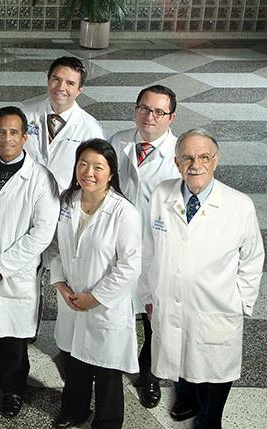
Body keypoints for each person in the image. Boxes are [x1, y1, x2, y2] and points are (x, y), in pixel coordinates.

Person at [140, 128, 264, 429]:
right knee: (179, 353)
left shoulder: (239, 205)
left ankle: (209, 425)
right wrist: (147, 294)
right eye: (188, 158)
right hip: (169, 297)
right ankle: (188, 399)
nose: (196, 164)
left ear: (216, 160)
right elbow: (148, 247)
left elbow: (253, 258)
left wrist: (240, 302)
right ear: (177, 162)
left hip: (217, 306)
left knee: (214, 367)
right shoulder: (161, 193)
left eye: (204, 157)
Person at [0, 106, 59, 418]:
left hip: (14, 272)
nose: (6, 138)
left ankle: (14, 387)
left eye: (13, 132)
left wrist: (0, 264)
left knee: (13, 339)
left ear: (25, 137)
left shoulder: (41, 178)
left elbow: (42, 233)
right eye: (1, 131)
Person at [47, 139, 142, 429]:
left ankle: (107, 424)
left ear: (111, 173)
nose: (89, 172)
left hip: (104, 307)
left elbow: (129, 266)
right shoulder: (66, 201)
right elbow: (56, 248)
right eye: (83, 164)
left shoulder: (123, 212)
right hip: (71, 298)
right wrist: (60, 283)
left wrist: (95, 297)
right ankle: (74, 409)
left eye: (98, 167)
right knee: (74, 361)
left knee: (106, 369)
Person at [109, 85, 180, 409]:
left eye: (158, 112)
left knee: (154, 314)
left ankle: (150, 374)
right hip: (119, 242)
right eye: (143, 108)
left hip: (157, 248)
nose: (149, 117)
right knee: (115, 304)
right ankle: (109, 361)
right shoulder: (119, 142)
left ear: (170, 117)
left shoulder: (179, 155)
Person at [22, 56, 105, 194]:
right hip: (23, 196)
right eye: (56, 79)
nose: (61, 87)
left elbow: (95, 176)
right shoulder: (24, 116)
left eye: (70, 83)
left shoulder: (91, 129)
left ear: (80, 90)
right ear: (48, 81)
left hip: (64, 202)